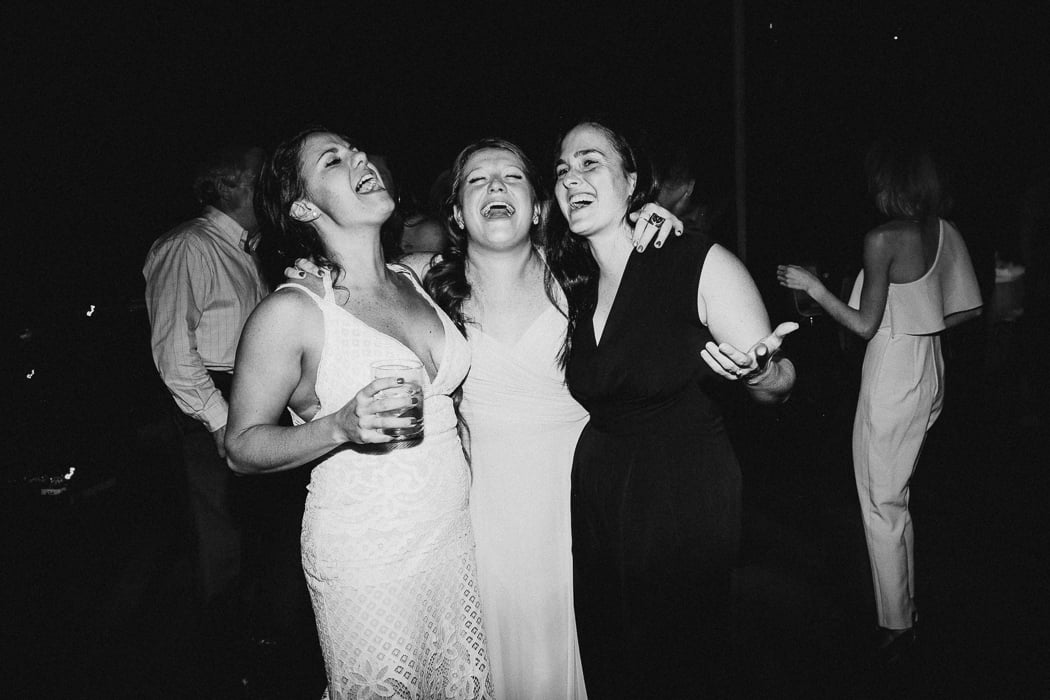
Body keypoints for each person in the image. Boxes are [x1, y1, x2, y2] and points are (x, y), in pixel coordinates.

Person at [289, 137, 679, 699]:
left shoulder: (585, 275)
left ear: (539, 208)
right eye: (477, 180)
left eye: (512, 177)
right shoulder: (422, 284)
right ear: (456, 214)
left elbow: (663, 307)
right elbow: (356, 286)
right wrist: (317, 270)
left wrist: (649, 223)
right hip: (481, 520)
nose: (495, 187)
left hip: (580, 508)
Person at [224, 127, 494, 699]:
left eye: (356, 151)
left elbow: (516, 250)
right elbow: (241, 447)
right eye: (333, 160)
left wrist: (637, 225)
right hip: (368, 558)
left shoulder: (417, 276)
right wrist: (338, 426)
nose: (359, 158)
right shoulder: (292, 312)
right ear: (303, 207)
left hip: (452, 539)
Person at [546, 117, 797, 696]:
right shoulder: (572, 281)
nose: (571, 177)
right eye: (562, 170)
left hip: (680, 497)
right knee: (613, 660)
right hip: (601, 499)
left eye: (590, 162)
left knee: (678, 663)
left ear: (633, 181)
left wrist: (761, 370)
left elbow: (779, 382)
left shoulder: (698, 263)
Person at [777, 138, 982, 662]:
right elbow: (968, 309)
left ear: (890, 185)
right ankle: (906, 610)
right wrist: (918, 320)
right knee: (897, 497)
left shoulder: (883, 237)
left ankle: (896, 628)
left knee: (879, 503)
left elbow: (864, 326)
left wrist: (812, 287)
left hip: (893, 372)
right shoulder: (944, 231)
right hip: (930, 366)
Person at [143, 144, 268, 618]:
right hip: (212, 401)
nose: (274, 183)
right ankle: (219, 640)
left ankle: (253, 631)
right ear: (230, 184)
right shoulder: (187, 246)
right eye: (261, 174)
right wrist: (219, 420)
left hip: (252, 394)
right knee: (219, 537)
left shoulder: (250, 249)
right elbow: (173, 352)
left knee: (253, 529)